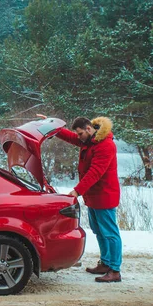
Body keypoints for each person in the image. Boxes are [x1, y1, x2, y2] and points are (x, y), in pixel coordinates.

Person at [37, 114, 122, 283]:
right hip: (94, 197)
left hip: (104, 196)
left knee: (110, 233)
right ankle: (105, 263)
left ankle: (115, 270)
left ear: (89, 129)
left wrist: (77, 191)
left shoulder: (105, 145)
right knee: (99, 232)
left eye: (80, 133)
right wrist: (50, 125)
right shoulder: (89, 140)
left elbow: (95, 173)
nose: (78, 137)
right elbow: (70, 137)